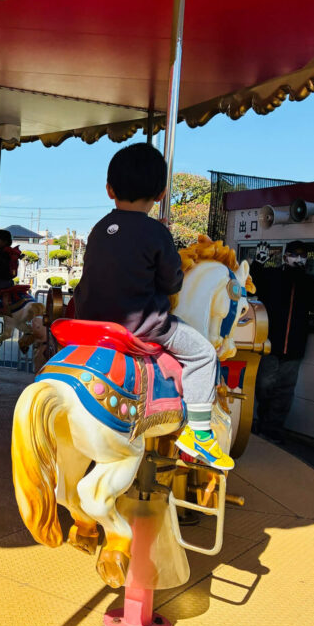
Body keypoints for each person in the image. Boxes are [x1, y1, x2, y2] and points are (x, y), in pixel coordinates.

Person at [73, 143, 233, 471]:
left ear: (109, 190)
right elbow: (172, 283)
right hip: (141, 325)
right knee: (203, 355)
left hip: (89, 324)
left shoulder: (99, 228)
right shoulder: (156, 232)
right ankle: (199, 433)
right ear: (161, 194)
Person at [250, 240, 314, 443]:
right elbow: (250, 286)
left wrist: (304, 277)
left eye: (303, 256)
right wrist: (257, 264)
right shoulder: (272, 276)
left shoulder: (308, 282)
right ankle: (263, 421)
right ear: (285, 256)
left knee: (285, 391)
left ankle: (272, 430)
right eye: (295, 255)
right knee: (264, 385)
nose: (299, 259)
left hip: (294, 348)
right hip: (269, 344)